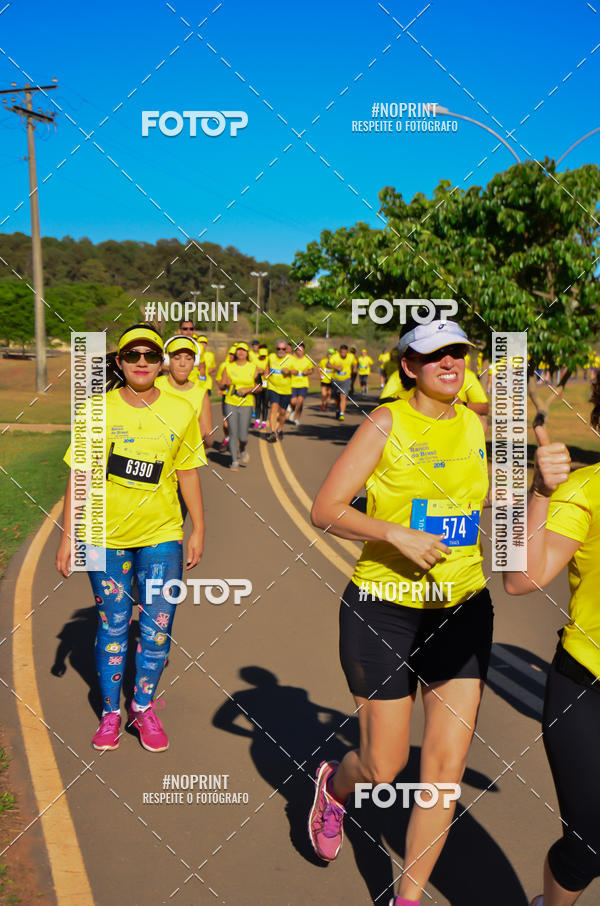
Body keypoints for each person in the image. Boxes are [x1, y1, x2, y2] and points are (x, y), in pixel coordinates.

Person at [308, 318, 492, 906]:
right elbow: (326, 509)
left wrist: (538, 485)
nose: (450, 364)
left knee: (443, 771)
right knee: (384, 768)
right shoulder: (385, 421)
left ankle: (406, 898)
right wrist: (396, 533)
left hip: (462, 607)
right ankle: (335, 788)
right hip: (383, 609)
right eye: (435, 355)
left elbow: (496, 503)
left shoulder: (477, 425)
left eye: (458, 354)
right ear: (408, 365)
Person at [55, 324, 205, 753]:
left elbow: (188, 472)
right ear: (119, 362)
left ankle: (142, 707)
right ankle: (109, 714)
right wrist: (69, 537)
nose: (142, 361)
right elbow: (79, 475)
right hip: (103, 536)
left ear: (160, 364)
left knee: (158, 627)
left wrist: (199, 527)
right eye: (133, 354)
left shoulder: (180, 411)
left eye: (150, 355)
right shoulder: (94, 412)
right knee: (114, 625)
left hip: (162, 535)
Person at [504, 405, 600, 906]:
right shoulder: (585, 490)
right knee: (589, 841)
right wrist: (538, 492)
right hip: (586, 684)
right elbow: (519, 579)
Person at [156, 334, 212, 521]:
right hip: (152, 468)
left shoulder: (200, 394)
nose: (182, 364)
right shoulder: (155, 385)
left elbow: (209, 441)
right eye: (177, 357)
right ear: (167, 360)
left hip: (181, 475)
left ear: (194, 363)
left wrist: (204, 434)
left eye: (188, 359)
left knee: (174, 527)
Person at [380, 361, 489, 430]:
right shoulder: (383, 423)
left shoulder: (477, 426)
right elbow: (384, 402)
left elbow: (484, 407)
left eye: (457, 352)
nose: (448, 363)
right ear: (409, 367)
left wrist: (460, 406)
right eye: (434, 355)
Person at [219, 343, 261, 470]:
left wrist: (247, 389)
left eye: (243, 350)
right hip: (230, 402)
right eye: (239, 350)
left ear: (247, 353)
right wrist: (225, 384)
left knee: (243, 436)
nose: (241, 352)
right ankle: (234, 461)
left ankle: (242, 448)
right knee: (233, 432)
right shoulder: (228, 367)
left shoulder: (254, 368)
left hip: (246, 404)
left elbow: (260, 387)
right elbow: (221, 385)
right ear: (236, 352)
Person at [264, 340, 294, 442]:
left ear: (286, 349)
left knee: (282, 412)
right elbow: (267, 368)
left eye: (283, 349)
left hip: (286, 390)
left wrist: (289, 371)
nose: (281, 351)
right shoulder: (271, 357)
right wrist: (265, 376)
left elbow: (296, 371)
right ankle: (273, 432)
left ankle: (280, 428)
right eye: (278, 348)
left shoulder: (291, 359)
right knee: (273, 408)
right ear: (276, 348)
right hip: (273, 387)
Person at [216, 345, 237, 450]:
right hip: (226, 396)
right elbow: (218, 379)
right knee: (225, 423)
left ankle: (234, 441)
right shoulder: (224, 365)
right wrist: (222, 386)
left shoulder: (241, 366)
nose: (232, 356)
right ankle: (227, 438)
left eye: (234, 354)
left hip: (239, 398)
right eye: (230, 354)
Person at [289, 342, 314, 427]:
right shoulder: (291, 359)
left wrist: (307, 372)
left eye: (301, 350)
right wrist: (292, 372)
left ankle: (297, 418)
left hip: (303, 384)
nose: (299, 351)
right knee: (293, 402)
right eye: (298, 349)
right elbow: (286, 370)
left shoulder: (307, 360)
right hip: (293, 383)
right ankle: (292, 411)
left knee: (300, 402)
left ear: (304, 350)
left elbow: (311, 370)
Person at [330, 344, 356, 421]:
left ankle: (342, 414)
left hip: (346, 380)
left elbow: (355, 362)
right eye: (341, 352)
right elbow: (328, 364)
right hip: (335, 379)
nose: (343, 354)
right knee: (337, 398)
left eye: (344, 352)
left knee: (343, 396)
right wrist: (336, 367)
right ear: (339, 352)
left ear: (347, 352)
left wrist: (354, 368)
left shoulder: (351, 356)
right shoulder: (335, 356)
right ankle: (337, 409)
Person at [252, 343, 269, 429]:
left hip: (266, 384)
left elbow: (269, 371)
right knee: (257, 402)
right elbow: (252, 370)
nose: (263, 357)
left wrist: (265, 372)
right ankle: (257, 420)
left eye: (264, 355)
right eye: (261, 355)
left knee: (265, 404)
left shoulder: (268, 360)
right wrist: (259, 371)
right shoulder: (255, 360)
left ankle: (264, 421)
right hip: (257, 384)